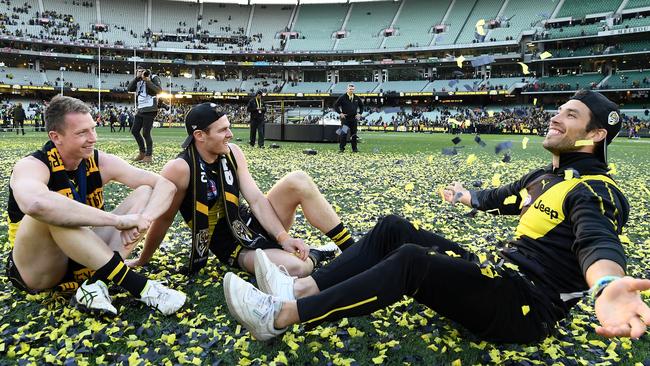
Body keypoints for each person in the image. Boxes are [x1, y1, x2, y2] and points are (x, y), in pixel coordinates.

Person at [223, 90, 650, 343]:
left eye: (570, 115)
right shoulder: (548, 176)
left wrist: (609, 285)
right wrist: (468, 196)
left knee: (411, 259)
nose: (556, 117)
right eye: (559, 110)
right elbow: (502, 198)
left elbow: (597, 243)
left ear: (596, 135)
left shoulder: (597, 191)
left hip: (527, 308)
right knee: (394, 228)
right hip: (499, 277)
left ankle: (280, 317)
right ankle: (298, 287)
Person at [127, 102, 355, 278]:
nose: (230, 134)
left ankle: (353, 251)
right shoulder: (180, 168)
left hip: (252, 222)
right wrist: (143, 260)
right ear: (200, 136)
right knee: (298, 268)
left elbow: (256, 199)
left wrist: (283, 237)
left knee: (299, 180)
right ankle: (317, 253)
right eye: (223, 130)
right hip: (231, 246)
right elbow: (164, 219)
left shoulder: (233, 152)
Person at [6, 95, 186, 316]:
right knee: (52, 209)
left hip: (83, 255)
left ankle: (94, 284)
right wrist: (119, 221)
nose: (93, 138)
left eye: (93, 128)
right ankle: (141, 287)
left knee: (145, 192)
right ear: (56, 137)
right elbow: (36, 204)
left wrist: (144, 218)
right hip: (39, 269)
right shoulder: (32, 165)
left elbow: (166, 186)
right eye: (82, 133)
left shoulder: (99, 161)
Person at [128, 68, 162, 163]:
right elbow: (129, 89)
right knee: (135, 131)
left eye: (142, 70)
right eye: (138, 71)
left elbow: (158, 90)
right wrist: (136, 78)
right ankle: (142, 152)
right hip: (141, 108)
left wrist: (147, 80)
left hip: (150, 108)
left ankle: (149, 155)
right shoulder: (138, 80)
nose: (141, 73)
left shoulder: (153, 77)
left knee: (146, 133)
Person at [333, 84, 364, 153]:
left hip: (354, 119)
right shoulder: (342, 97)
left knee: (354, 134)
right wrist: (340, 113)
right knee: (343, 133)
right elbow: (336, 105)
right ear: (347, 89)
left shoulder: (356, 98)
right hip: (345, 119)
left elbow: (362, 106)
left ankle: (354, 149)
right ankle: (341, 149)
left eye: (352, 89)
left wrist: (359, 114)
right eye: (350, 89)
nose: (351, 90)